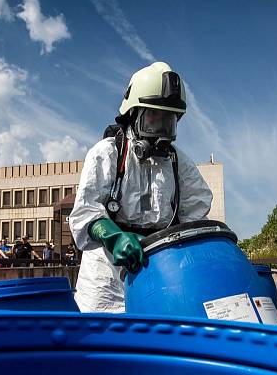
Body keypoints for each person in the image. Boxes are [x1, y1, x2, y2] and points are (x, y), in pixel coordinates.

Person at [68, 61, 213, 312]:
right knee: (103, 343)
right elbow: (85, 212)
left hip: (161, 276)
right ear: (133, 115)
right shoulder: (107, 154)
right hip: (106, 284)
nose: (161, 128)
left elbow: (196, 218)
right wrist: (114, 237)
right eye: (153, 117)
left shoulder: (180, 164)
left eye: (168, 120)